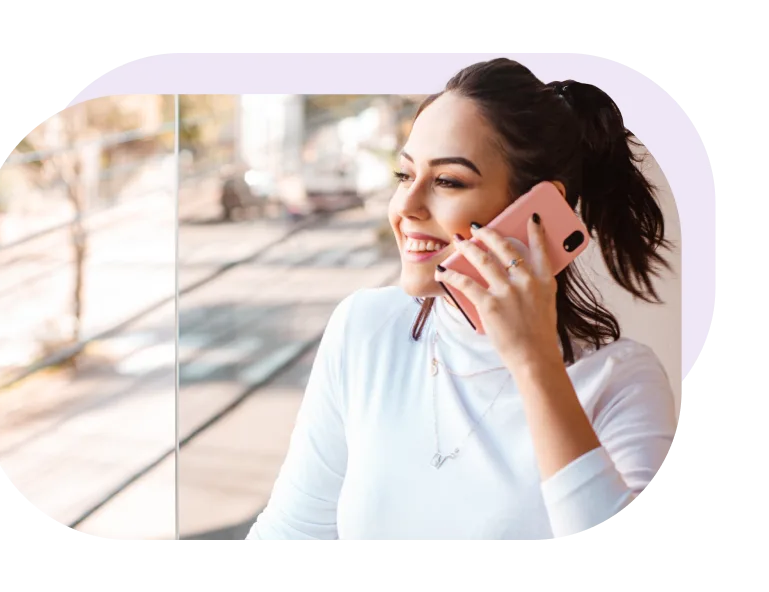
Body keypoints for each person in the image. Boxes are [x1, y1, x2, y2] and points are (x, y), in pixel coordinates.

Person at [243, 57, 678, 543]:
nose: (406, 207)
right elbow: (292, 532)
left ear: (537, 210)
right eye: (404, 175)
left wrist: (534, 365)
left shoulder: (621, 383)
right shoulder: (365, 328)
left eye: (447, 181)